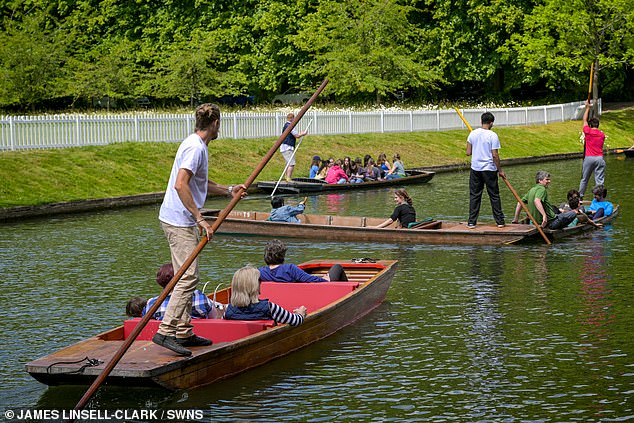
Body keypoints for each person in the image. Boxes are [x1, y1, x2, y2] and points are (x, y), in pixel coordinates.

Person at [155, 103, 244, 356]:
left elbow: (200, 183)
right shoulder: (195, 148)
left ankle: (183, 331)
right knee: (188, 276)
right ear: (215, 123)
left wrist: (228, 190)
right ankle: (166, 331)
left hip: (177, 219)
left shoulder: (195, 144)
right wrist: (200, 218)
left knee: (183, 275)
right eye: (220, 124)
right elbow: (180, 185)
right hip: (180, 221)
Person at [224, 266, 307, 326]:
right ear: (254, 285)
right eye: (259, 280)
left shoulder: (228, 310)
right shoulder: (270, 307)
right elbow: (296, 321)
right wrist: (301, 313)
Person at [466, 112, 505, 228]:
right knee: (494, 195)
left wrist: (477, 147)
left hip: (475, 169)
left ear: (481, 121)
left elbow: (468, 152)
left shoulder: (472, 134)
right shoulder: (493, 135)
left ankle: (471, 222)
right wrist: (500, 170)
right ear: (491, 122)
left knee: (475, 195)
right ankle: (500, 222)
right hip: (489, 169)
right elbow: (495, 155)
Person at [142, 263, 218, 320]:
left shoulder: (152, 303)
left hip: (166, 337)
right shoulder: (198, 296)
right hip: (199, 334)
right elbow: (214, 318)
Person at [511, 171, 576, 229]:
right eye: (547, 179)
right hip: (550, 223)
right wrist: (544, 216)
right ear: (540, 180)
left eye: (549, 179)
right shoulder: (542, 189)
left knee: (557, 212)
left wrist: (516, 219)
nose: (549, 181)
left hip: (536, 223)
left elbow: (520, 203)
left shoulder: (532, 190)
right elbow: (536, 201)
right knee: (573, 213)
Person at [258, 239, 348, 282]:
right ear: (282, 255)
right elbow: (310, 280)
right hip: (307, 295)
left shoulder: (260, 272)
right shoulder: (289, 269)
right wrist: (325, 279)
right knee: (337, 267)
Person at [579, 100, 606, 200]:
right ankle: (600, 198)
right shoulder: (602, 134)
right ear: (598, 125)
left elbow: (584, 120)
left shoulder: (588, 131)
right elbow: (586, 122)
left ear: (590, 126)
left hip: (589, 158)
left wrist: (587, 108)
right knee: (599, 181)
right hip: (599, 158)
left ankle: (580, 197)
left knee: (584, 179)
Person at [280, 112, 308, 181]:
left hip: (285, 147)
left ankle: (287, 177)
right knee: (292, 163)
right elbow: (296, 135)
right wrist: (303, 134)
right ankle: (288, 178)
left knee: (288, 163)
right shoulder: (290, 126)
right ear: (292, 119)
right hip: (287, 147)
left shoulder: (286, 125)